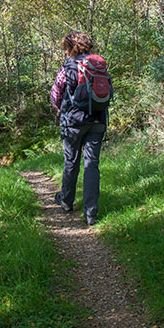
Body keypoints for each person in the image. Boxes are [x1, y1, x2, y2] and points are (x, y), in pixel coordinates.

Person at [50, 32, 107, 226]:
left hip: (73, 121)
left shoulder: (68, 66)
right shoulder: (98, 65)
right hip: (98, 120)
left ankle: (66, 201)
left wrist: (61, 108)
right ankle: (91, 212)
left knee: (71, 161)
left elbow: (56, 95)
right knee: (92, 164)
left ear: (70, 48)